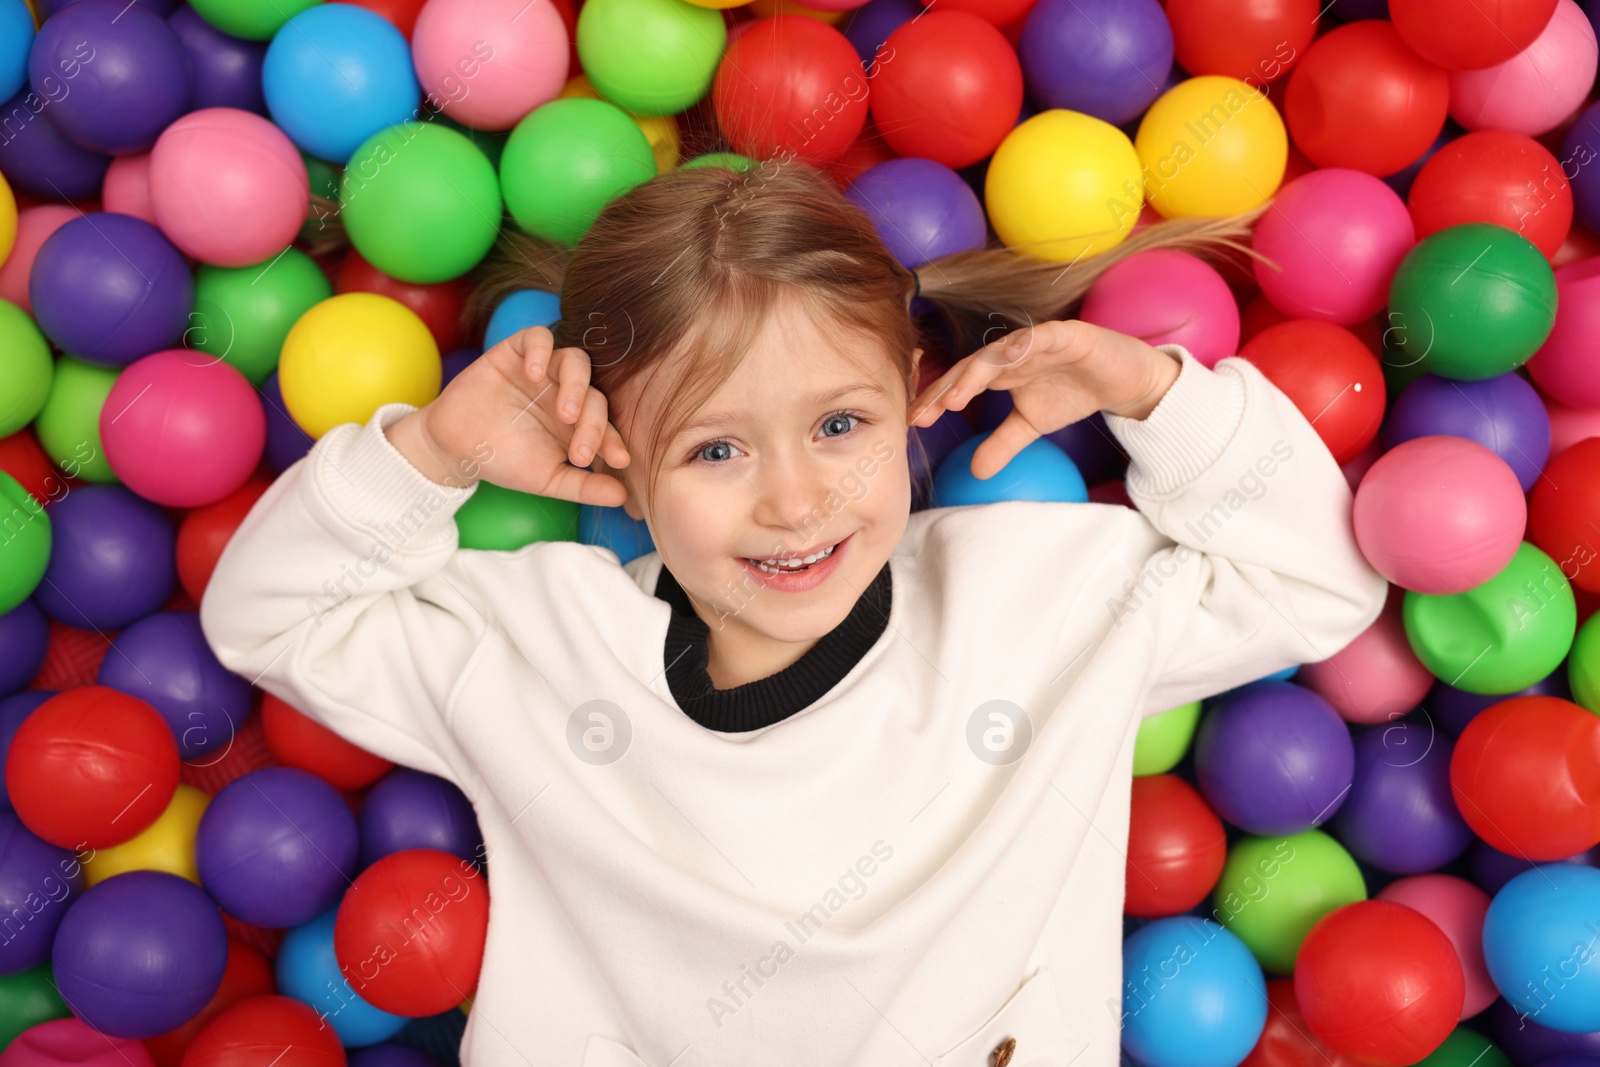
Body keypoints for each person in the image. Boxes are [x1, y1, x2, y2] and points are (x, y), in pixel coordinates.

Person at [199, 160, 1387, 1067]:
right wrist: (435, 451)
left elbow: (1319, 578)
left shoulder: (1035, 595)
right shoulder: (538, 645)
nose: (793, 499)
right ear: (615, 448)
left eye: (838, 426)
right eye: (716, 447)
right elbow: (267, 617)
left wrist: (1152, 392)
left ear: (913, 393)